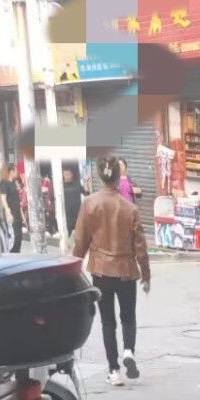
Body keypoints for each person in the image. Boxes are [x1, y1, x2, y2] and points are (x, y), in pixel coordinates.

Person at [74, 154, 150, 385]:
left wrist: (73, 270)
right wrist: (146, 275)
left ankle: (114, 371)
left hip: (101, 271)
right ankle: (128, 351)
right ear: (119, 176)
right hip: (126, 271)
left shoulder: (89, 204)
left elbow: (80, 241)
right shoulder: (130, 208)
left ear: (100, 175)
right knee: (128, 317)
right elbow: (141, 247)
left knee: (108, 322)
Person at [0, 165, 23, 252]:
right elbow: (3, 198)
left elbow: (17, 200)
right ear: (11, 171)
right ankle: (11, 252)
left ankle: (17, 252)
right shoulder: (4, 183)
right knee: (13, 235)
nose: (17, 172)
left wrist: (22, 215)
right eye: (15, 170)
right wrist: (8, 212)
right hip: (11, 212)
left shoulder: (14, 183)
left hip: (17, 212)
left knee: (19, 236)